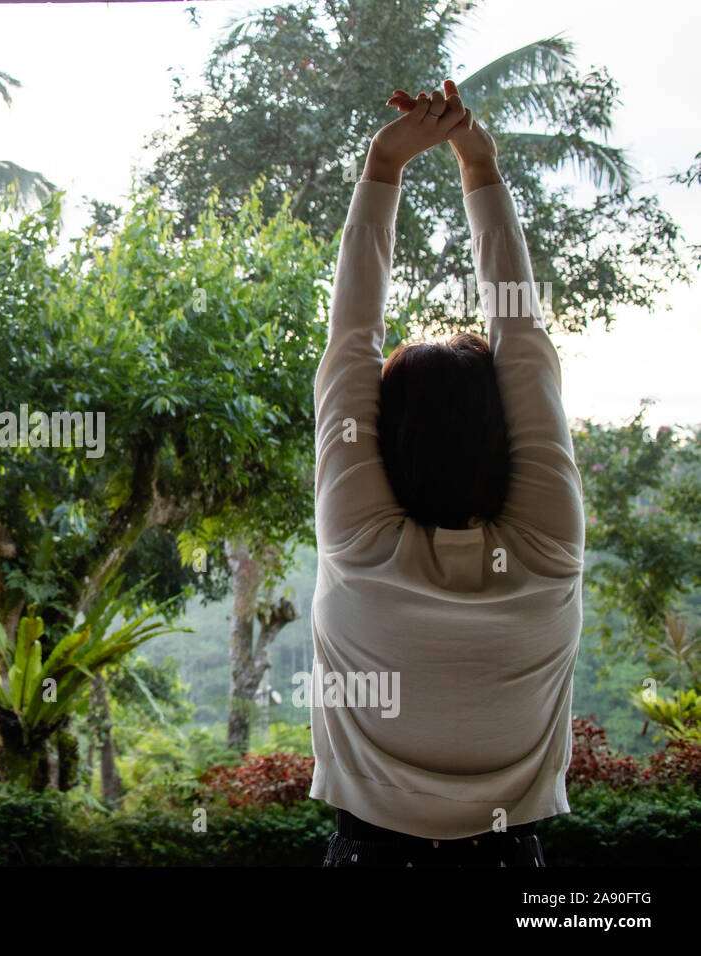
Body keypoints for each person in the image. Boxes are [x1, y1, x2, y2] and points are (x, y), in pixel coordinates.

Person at [312, 80, 585, 867]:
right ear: (501, 432)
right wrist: (478, 165)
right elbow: (521, 336)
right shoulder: (547, 544)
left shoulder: (360, 542)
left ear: (384, 438)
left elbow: (351, 340)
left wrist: (386, 167)